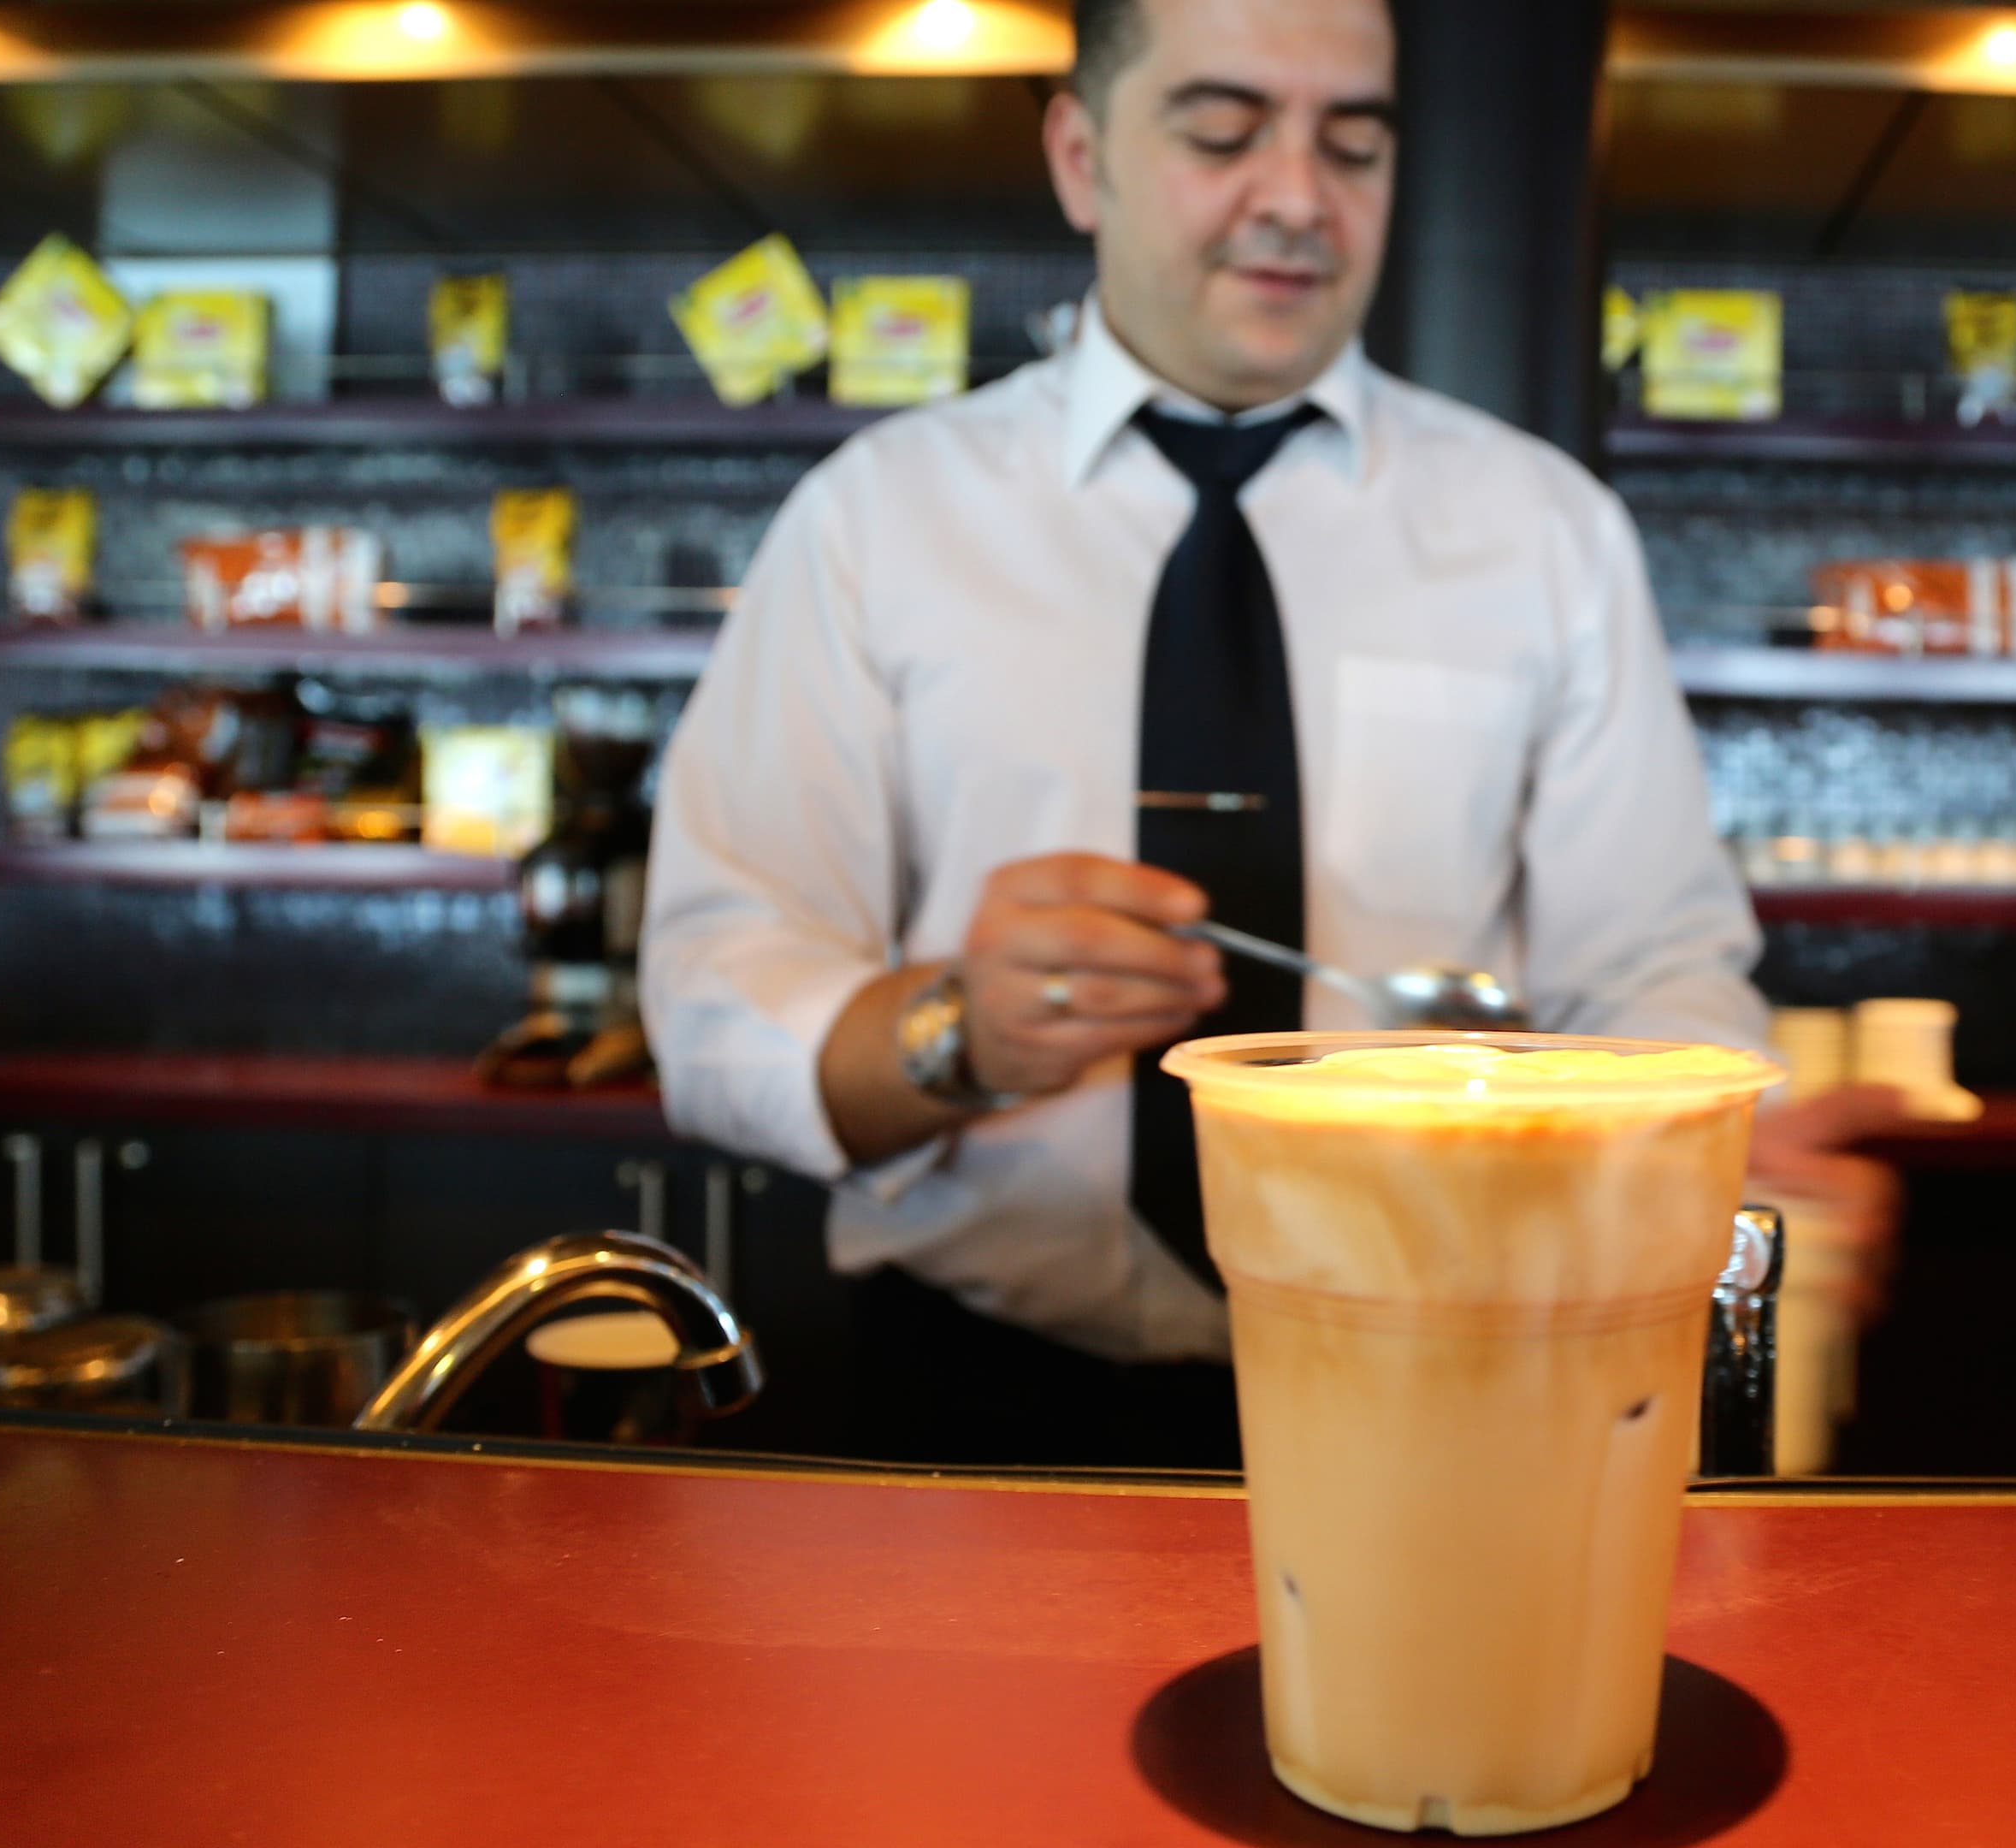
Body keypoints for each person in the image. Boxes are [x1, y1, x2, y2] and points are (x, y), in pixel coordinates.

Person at [643, 0, 1901, 1468]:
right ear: (1079, 155)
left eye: (1353, 145)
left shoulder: (1541, 531)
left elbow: (1650, 964)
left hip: (1445, 1387)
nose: (1299, 198)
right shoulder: (879, 521)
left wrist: (1703, 1133)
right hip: (978, 1406)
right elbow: (722, 998)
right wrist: (958, 1029)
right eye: (1224, 132)